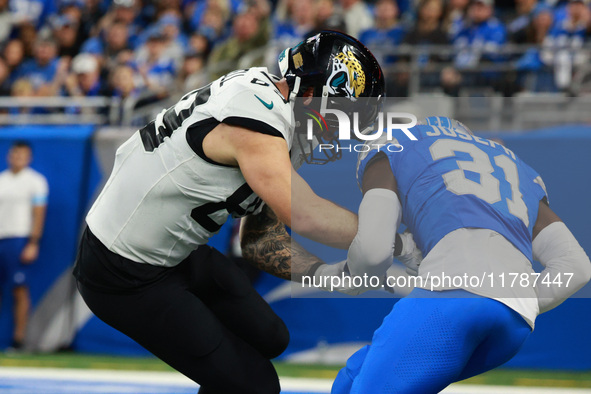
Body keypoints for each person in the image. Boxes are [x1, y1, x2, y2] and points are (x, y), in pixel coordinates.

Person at [73, 31, 384, 394]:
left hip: (173, 256)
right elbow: (307, 215)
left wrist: (328, 271)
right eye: (346, 112)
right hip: (122, 271)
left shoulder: (275, 111)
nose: (346, 127)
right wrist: (395, 238)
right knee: (257, 386)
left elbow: (258, 241)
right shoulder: (256, 118)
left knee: (271, 337)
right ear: (314, 90)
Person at [242, 116, 591, 393]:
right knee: (353, 376)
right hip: (513, 324)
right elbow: (576, 266)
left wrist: (350, 276)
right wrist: (517, 295)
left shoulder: (393, 148)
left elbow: (374, 254)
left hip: (450, 303)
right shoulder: (517, 169)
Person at [0, 141, 48, 351]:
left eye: (22, 155)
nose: (18, 158)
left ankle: (18, 340)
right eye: (15, 154)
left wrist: (33, 242)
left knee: (19, 289)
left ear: (28, 157)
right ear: (9, 155)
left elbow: (39, 212)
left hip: (19, 238)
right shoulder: (2, 180)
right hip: (2, 237)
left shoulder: (35, 181)